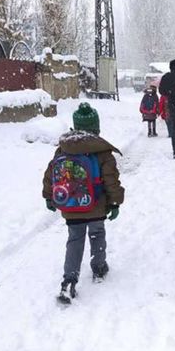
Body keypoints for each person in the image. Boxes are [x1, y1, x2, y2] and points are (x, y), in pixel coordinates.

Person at [42, 103, 125, 304]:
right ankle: (98, 267)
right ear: (96, 127)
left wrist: (49, 197)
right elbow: (111, 180)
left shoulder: (64, 148)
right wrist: (115, 202)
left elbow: (50, 176)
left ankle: (69, 279)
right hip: (96, 205)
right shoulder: (102, 152)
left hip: (71, 205)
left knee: (75, 240)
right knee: (97, 233)